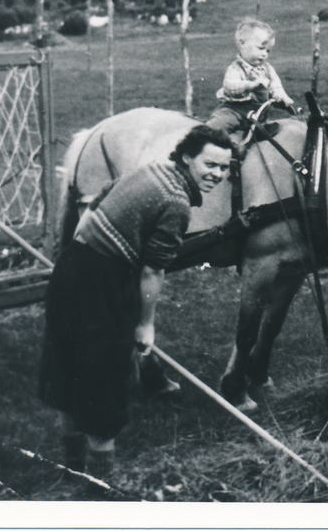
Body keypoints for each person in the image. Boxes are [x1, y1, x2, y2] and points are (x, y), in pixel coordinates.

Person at [37, 125, 232, 487]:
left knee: (66, 368)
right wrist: (145, 325)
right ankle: (98, 484)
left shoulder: (152, 170)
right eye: (210, 164)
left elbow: (97, 201)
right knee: (104, 376)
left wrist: (87, 246)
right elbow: (153, 269)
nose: (217, 175)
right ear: (187, 157)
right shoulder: (176, 202)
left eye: (224, 169)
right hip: (100, 282)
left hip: (71, 267)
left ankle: (73, 471)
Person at [205, 18, 295, 148]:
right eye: (261, 48)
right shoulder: (235, 68)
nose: (264, 54)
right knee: (215, 128)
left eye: (268, 51)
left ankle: (249, 147)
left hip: (257, 114)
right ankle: (212, 147)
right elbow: (230, 87)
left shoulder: (268, 69)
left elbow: (276, 85)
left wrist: (282, 98)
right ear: (242, 43)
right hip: (234, 111)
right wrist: (251, 85)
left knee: (272, 133)